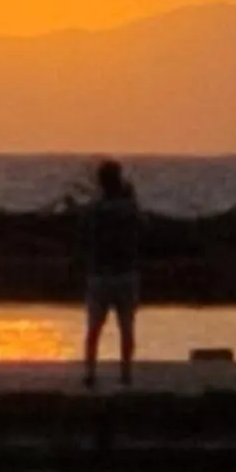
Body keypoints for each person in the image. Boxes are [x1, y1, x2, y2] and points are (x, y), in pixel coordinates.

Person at [82, 159, 141, 388]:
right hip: (126, 273)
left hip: (99, 274)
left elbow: (85, 234)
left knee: (94, 328)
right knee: (126, 327)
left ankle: (90, 372)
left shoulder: (95, 209)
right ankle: (125, 373)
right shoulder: (129, 208)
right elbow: (141, 228)